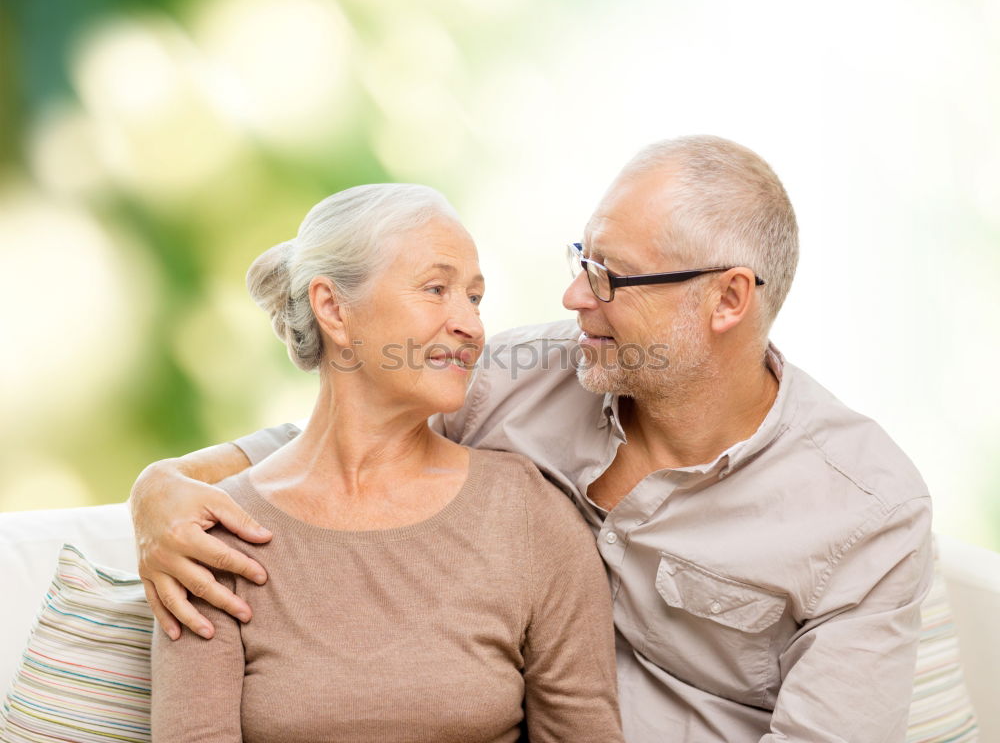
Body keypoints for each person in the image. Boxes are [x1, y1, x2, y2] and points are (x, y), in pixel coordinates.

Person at [134, 136, 933, 742]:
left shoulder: (865, 513)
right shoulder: (530, 373)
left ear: (726, 301)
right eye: (583, 257)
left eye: (611, 275)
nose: (573, 295)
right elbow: (350, 442)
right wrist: (161, 488)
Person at [148, 183, 624, 742]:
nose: (470, 325)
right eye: (435, 288)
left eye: (474, 297)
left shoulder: (527, 514)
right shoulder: (211, 537)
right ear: (333, 309)